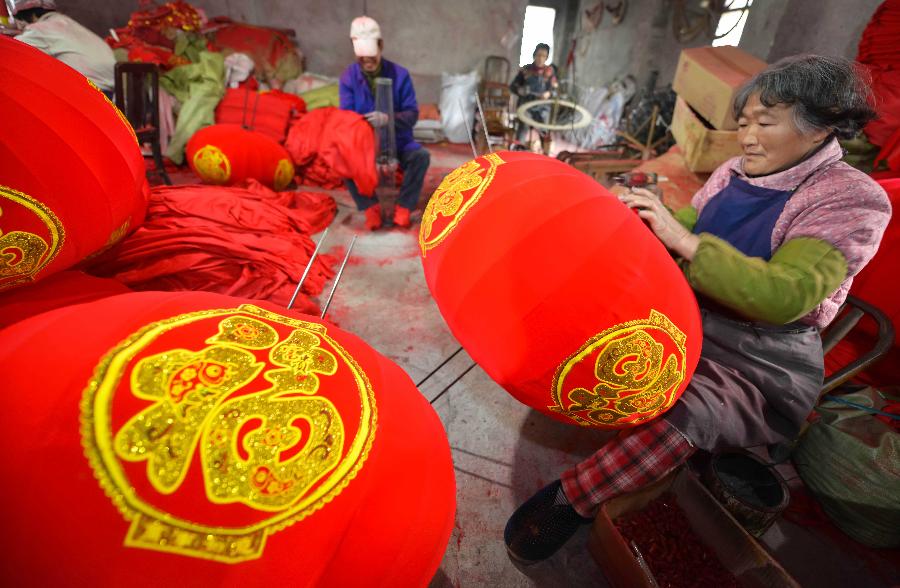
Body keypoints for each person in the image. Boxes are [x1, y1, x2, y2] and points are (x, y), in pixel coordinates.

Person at [504, 54, 892, 563]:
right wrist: (630, 221)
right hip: (690, 313)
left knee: (689, 410)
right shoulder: (733, 172)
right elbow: (678, 230)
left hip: (757, 354)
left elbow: (786, 296)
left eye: (765, 123)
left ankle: (574, 496)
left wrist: (682, 238)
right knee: (595, 328)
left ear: (819, 128)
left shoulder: (849, 199)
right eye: (744, 123)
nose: (747, 137)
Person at [339, 15, 430, 231]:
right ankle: (370, 208)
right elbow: (346, 118)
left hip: (399, 141)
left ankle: (404, 207)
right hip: (366, 143)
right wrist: (367, 126)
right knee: (342, 160)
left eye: (371, 56)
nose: (367, 62)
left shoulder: (400, 75)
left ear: (381, 46)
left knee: (421, 157)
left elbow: (412, 114)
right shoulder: (348, 78)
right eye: (363, 58)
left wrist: (389, 119)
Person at [9, 0, 116, 93]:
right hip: (112, 92)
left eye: (20, 20)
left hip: (92, 93)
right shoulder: (67, 23)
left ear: (32, 16)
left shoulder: (40, 29)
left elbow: (13, 52)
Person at [510, 43, 559, 146]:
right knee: (523, 125)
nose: (540, 58)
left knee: (544, 129)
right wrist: (519, 90)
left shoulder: (550, 72)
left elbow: (555, 91)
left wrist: (548, 93)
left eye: (544, 56)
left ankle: (544, 152)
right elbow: (513, 86)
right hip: (526, 105)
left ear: (546, 57)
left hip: (542, 107)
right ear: (534, 54)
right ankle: (518, 149)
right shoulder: (525, 70)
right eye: (539, 55)